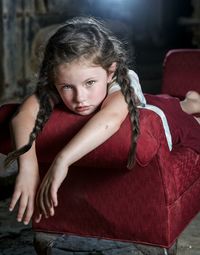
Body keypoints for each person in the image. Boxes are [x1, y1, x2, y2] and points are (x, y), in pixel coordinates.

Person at [4, 17, 200, 227]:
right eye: (67, 87)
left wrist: (63, 159)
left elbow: (112, 118)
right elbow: (22, 116)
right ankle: (188, 102)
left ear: (110, 72)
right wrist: (28, 166)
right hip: (137, 102)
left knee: (180, 111)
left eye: (90, 83)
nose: (79, 98)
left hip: (153, 111)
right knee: (164, 101)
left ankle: (190, 102)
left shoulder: (123, 79)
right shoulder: (68, 80)